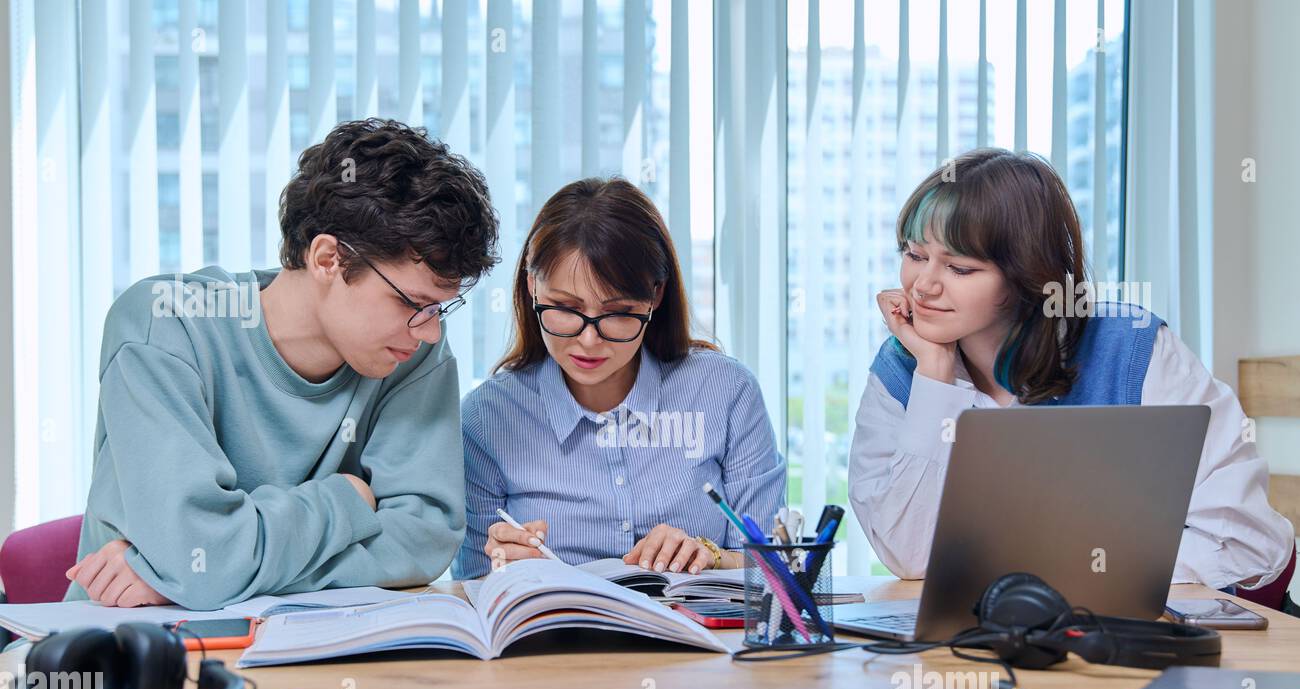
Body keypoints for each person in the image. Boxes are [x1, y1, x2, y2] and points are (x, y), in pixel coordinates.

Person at [66, 118, 500, 609]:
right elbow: (198, 553)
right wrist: (346, 499)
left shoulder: (415, 353)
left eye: (439, 309)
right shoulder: (165, 325)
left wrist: (204, 573)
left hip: (320, 655)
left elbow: (421, 543)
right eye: (410, 303)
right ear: (327, 258)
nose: (431, 331)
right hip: (133, 649)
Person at [849, 147, 1294, 587]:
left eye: (960, 268)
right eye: (915, 255)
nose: (923, 286)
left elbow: (1248, 543)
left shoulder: (1131, 348)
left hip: (1136, 634)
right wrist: (935, 374)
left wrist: (1050, 572)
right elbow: (909, 557)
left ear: (1026, 274)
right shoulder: (902, 368)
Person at [453, 177, 785, 579]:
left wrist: (710, 555)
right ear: (531, 287)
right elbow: (473, 582)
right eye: (565, 308)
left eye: (617, 312)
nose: (588, 340)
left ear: (656, 295)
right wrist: (507, 565)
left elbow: (779, 564)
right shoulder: (487, 418)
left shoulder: (726, 392)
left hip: (700, 639)